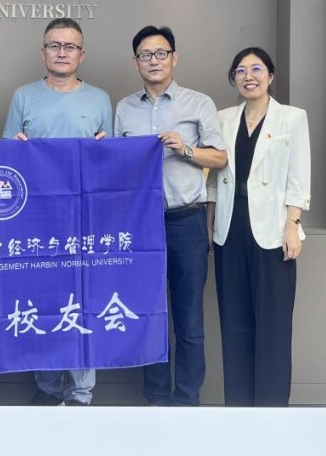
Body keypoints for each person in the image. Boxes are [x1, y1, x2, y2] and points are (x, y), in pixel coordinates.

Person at [113, 25, 227, 406]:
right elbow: (116, 164)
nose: (154, 61)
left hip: (186, 221)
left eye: (161, 53)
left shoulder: (198, 103)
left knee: (189, 319)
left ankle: (187, 400)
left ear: (174, 58)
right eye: (145, 55)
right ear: (136, 62)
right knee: (149, 315)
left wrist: (186, 149)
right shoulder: (124, 108)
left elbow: (220, 158)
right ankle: (157, 398)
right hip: (141, 225)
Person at [4, 17, 112, 407]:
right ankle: (48, 390)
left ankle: (81, 394)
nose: (62, 52)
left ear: (82, 54)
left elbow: (111, 163)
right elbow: (5, 158)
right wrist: (17, 148)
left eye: (70, 46)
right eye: (54, 45)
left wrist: (104, 149)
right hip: (36, 219)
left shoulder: (100, 99)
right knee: (43, 303)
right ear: (43, 52)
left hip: (84, 219)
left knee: (84, 304)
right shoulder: (23, 96)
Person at [206, 47, 310, 407]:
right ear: (233, 78)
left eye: (256, 69)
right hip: (229, 227)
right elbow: (213, 178)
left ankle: (272, 408)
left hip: (273, 229)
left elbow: (299, 176)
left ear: (271, 75)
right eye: (240, 71)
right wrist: (209, 223)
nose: (248, 77)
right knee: (234, 322)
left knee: (273, 324)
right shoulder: (223, 119)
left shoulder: (292, 118)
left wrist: (292, 224)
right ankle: (238, 407)